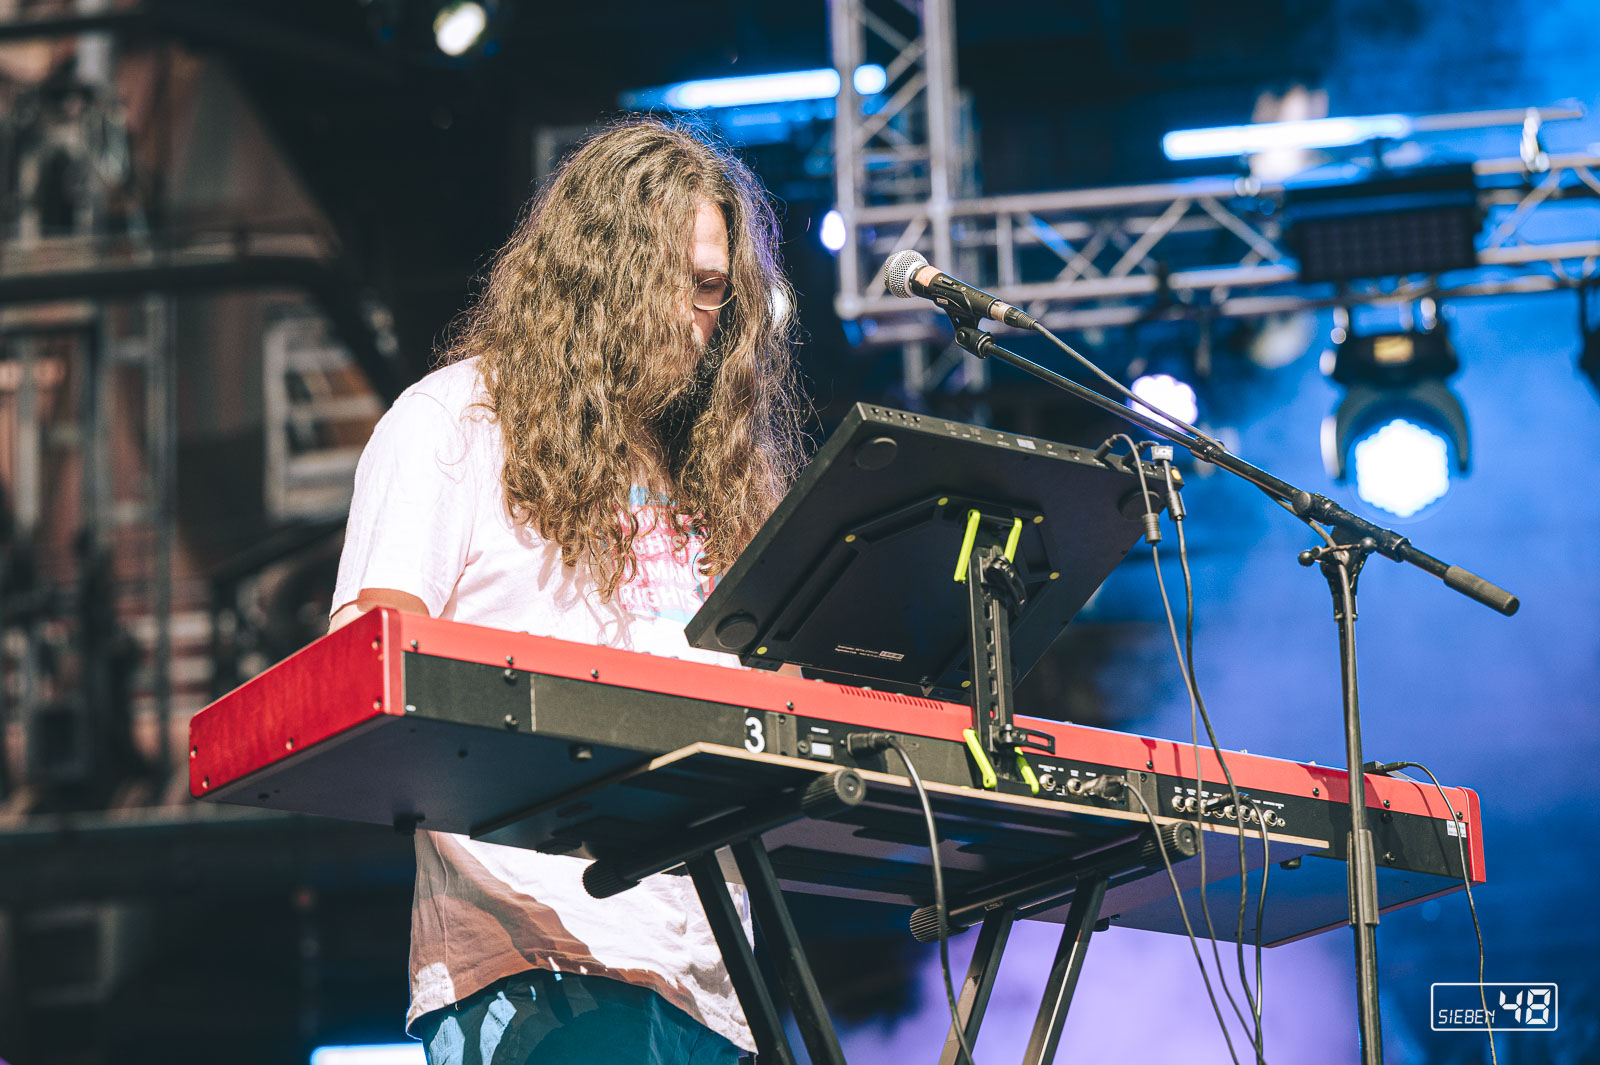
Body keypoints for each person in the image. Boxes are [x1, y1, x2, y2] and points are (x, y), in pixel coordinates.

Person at [328, 118, 806, 1065]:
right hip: (533, 968)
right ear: (592, 272)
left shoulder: (725, 476)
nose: (690, 317)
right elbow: (370, 668)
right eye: (666, 279)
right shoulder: (453, 423)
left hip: (720, 984)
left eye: (713, 291)